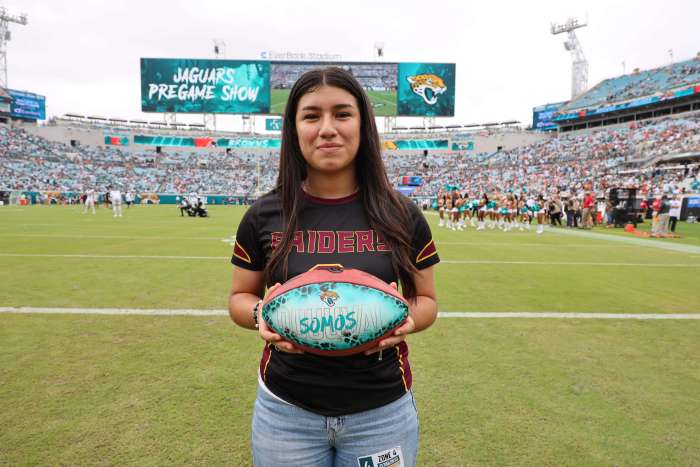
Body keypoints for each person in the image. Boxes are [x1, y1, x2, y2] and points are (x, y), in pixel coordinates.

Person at [227, 67, 439, 467]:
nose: (327, 128)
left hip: (382, 411)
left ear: (363, 125)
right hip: (286, 410)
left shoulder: (402, 215)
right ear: (294, 129)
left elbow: (426, 300)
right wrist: (260, 314)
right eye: (311, 116)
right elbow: (239, 297)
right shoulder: (263, 215)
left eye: (342, 114)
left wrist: (408, 320)